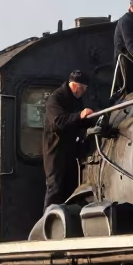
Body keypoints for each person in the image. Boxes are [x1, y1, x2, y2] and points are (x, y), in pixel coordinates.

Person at [42, 70, 94, 209]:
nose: (84, 92)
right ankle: (48, 219)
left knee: (71, 190)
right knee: (55, 189)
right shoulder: (56, 98)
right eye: (84, 88)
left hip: (71, 152)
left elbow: (78, 122)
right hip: (56, 152)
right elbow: (58, 122)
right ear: (77, 85)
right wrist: (80, 115)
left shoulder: (76, 100)